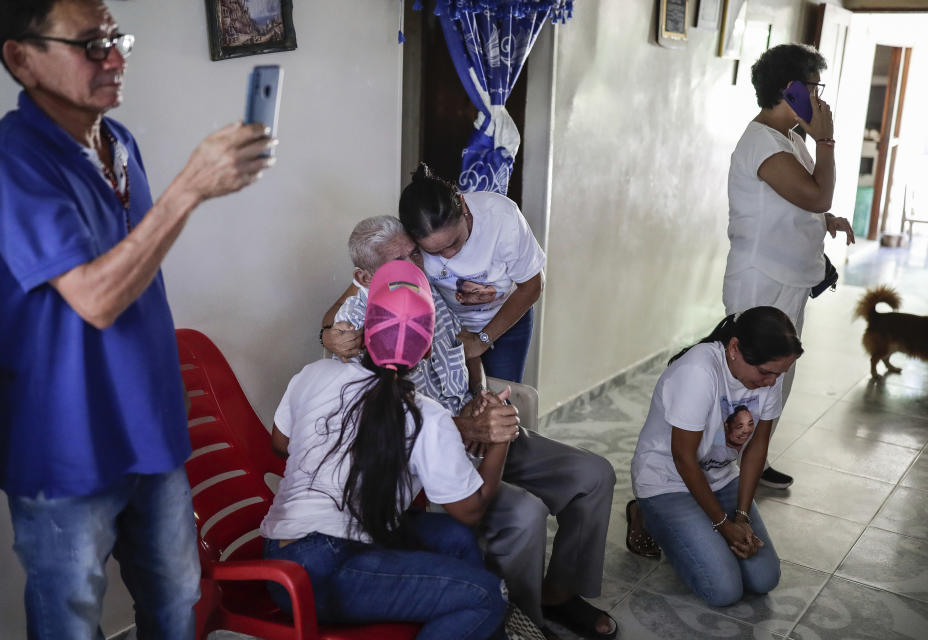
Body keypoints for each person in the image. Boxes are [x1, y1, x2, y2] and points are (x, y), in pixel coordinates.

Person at [0, 0, 274, 636]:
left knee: (175, 602)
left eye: (117, 39)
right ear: (20, 58)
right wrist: (190, 188)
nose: (114, 57)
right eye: (89, 44)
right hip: (62, 446)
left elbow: (137, 268)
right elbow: (95, 297)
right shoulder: (6, 158)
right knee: (71, 622)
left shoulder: (118, 141)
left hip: (149, 429)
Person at [322, 216, 618, 640]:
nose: (415, 266)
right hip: (437, 455)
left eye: (414, 254)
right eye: (400, 260)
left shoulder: (426, 292)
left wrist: (479, 395)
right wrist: (467, 426)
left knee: (593, 474)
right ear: (364, 277)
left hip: (474, 424)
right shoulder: (353, 333)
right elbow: (392, 426)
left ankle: (559, 593)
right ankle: (521, 621)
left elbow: (466, 351)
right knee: (523, 513)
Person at [261, 260, 510, 639]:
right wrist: (501, 438)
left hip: (280, 558)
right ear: (426, 349)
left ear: (366, 330)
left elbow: (280, 444)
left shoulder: (315, 374)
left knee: (457, 542)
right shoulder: (426, 415)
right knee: (488, 596)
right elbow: (471, 509)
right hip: (317, 576)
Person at [722, 43, 854, 490]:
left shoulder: (790, 139)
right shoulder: (762, 141)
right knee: (750, 379)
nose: (820, 99)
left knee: (776, 378)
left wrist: (825, 220)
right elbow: (818, 193)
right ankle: (726, 465)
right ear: (791, 90)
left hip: (789, 277)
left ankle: (752, 460)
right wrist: (828, 140)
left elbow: (807, 199)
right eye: (815, 88)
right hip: (762, 279)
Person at [629, 307, 802, 607]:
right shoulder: (698, 372)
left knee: (764, 579)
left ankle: (703, 533)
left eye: (780, 374)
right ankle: (646, 516)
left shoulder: (767, 376)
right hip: (667, 482)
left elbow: (757, 447)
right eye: (765, 373)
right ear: (734, 348)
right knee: (723, 590)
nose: (772, 383)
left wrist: (742, 517)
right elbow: (683, 457)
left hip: (720, 479)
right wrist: (723, 525)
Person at [398, 163, 546, 384]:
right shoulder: (403, 243)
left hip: (506, 316)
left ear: (464, 206)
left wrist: (482, 340)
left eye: (454, 242)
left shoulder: (501, 217)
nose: (447, 255)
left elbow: (533, 285)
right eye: (434, 251)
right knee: (456, 401)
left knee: (500, 396)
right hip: (448, 326)